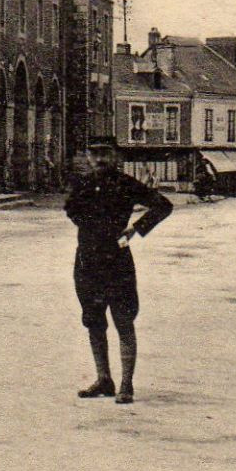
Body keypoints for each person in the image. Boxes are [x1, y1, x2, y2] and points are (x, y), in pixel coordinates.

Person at [64, 138, 173, 404]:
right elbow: (70, 210)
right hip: (87, 261)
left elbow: (164, 205)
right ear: (88, 157)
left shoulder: (126, 184)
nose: (99, 159)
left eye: (105, 154)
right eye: (94, 154)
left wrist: (136, 229)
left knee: (123, 321)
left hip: (117, 260)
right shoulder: (82, 185)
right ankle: (104, 379)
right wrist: (91, 229)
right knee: (93, 320)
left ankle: (126, 384)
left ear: (115, 156)